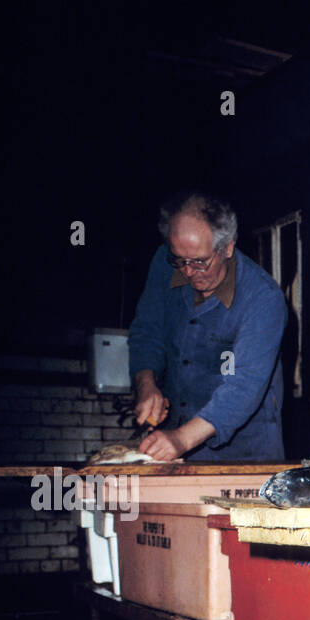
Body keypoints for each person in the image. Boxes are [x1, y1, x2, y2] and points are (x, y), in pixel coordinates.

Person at [128, 191, 288, 462]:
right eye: (180, 260)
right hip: (173, 439)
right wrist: (146, 384)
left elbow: (244, 386)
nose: (188, 272)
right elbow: (147, 332)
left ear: (227, 247)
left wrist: (182, 438)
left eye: (199, 262)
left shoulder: (263, 298)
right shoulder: (165, 263)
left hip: (244, 453)